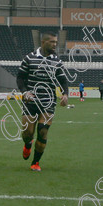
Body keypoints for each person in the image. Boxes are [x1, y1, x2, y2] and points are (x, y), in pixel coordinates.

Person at [17, 32, 69, 172]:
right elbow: (20, 78)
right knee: (28, 133)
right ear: (44, 42)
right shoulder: (29, 58)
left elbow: (63, 80)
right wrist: (24, 92)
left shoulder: (57, 62)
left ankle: (35, 162)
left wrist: (65, 94)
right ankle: (28, 144)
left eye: (56, 42)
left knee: (43, 131)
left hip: (48, 102)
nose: (55, 45)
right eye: (52, 42)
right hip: (30, 101)